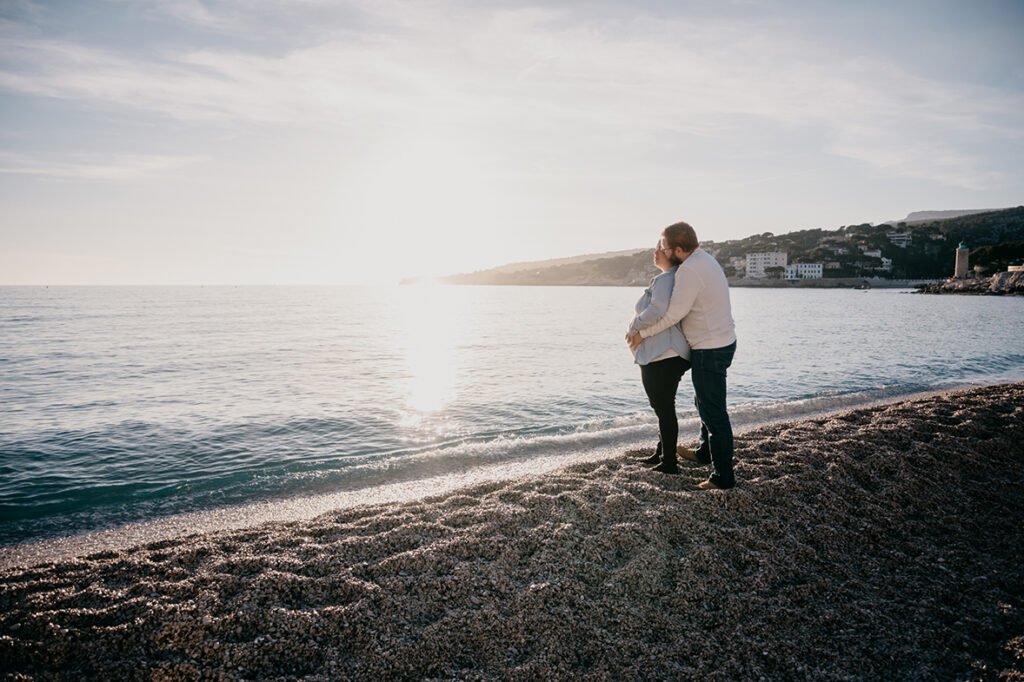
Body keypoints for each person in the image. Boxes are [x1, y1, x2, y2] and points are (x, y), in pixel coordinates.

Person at [626, 221, 737, 490]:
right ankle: (703, 452)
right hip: (719, 341)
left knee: (714, 414)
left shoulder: (688, 271)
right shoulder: (705, 259)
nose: (659, 249)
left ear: (677, 249)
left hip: (709, 347)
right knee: (703, 403)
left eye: (663, 245)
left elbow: (673, 314)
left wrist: (641, 333)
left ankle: (723, 478)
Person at [628, 236, 691, 475]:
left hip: (664, 353)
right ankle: (662, 452)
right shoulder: (673, 278)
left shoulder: (666, 279)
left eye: (659, 249)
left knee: (663, 407)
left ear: (672, 254)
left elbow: (658, 310)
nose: (655, 252)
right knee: (663, 406)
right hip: (666, 352)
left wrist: (634, 327)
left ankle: (669, 463)